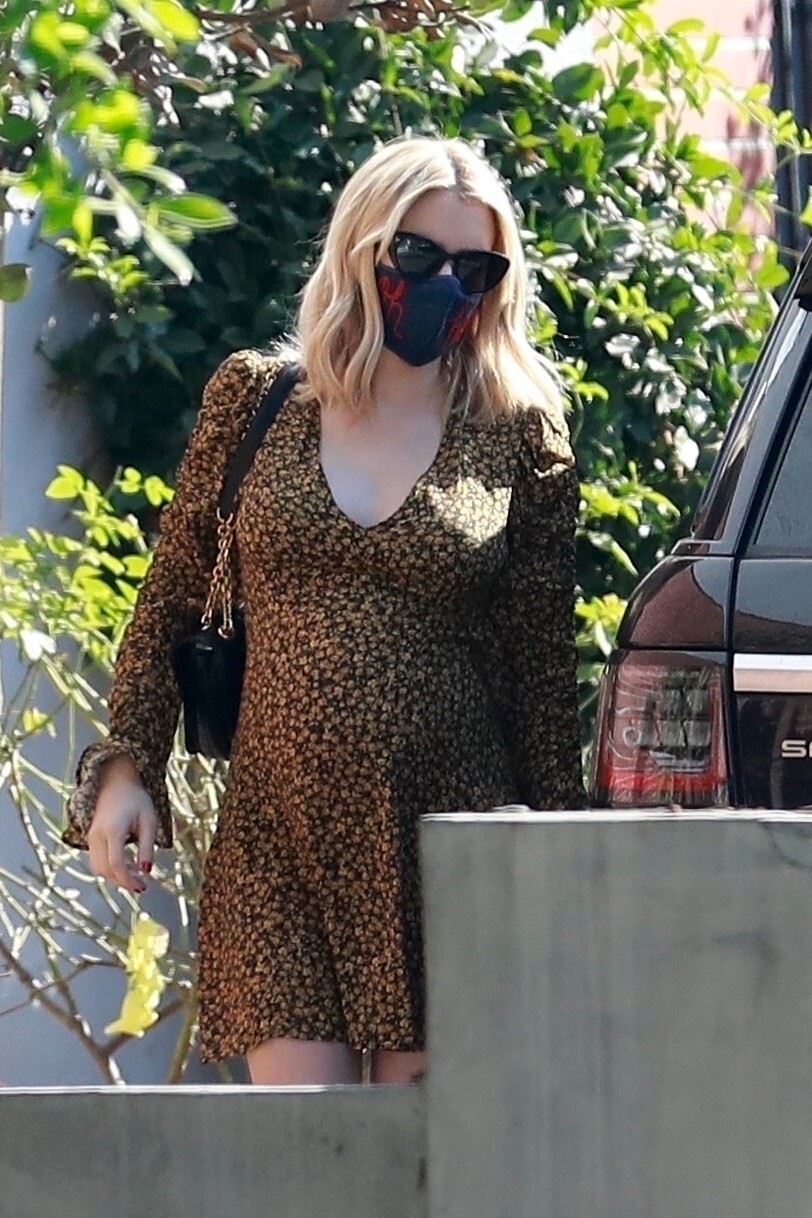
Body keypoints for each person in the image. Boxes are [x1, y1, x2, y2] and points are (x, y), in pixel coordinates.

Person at [64, 135, 584, 1086]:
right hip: (279, 841)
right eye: (418, 256)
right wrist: (125, 767)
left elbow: (542, 674)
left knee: (428, 1153)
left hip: (452, 842)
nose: (445, 286)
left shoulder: (517, 431)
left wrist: (565, 866)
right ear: (362, 248)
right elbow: (172, 593)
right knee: (310, 1150)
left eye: (475, 268)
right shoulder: (256, 400)